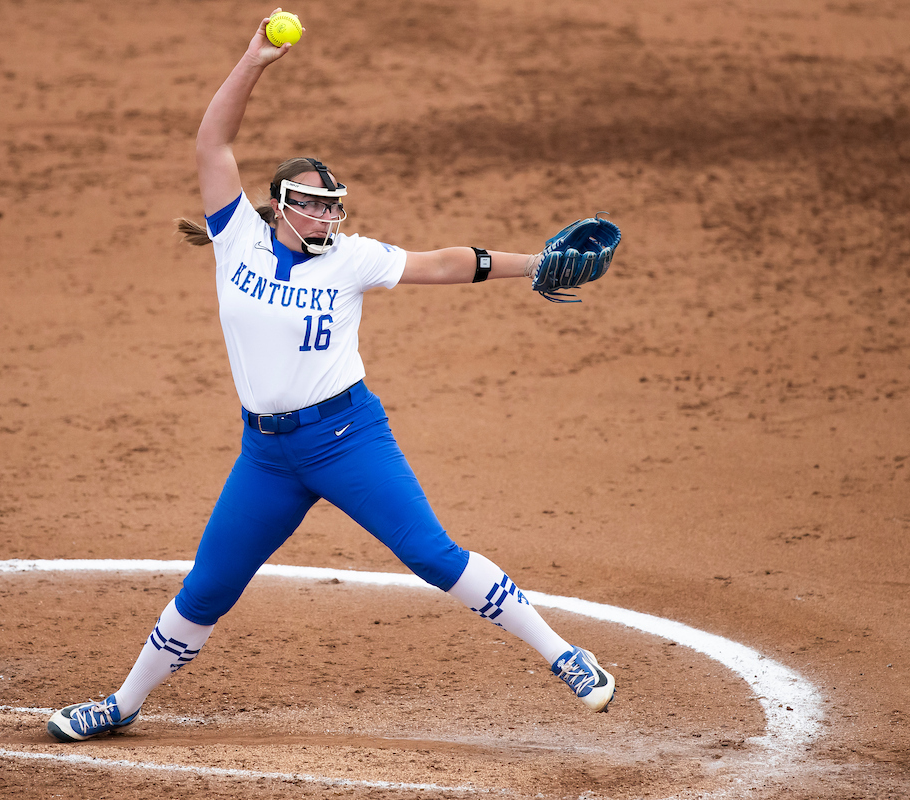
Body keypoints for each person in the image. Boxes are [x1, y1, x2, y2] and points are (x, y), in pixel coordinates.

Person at [47, 9, 615, 743]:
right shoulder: (236, 238)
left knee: (430, 554)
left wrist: (533, 264)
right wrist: (253, 60)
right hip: (266, 456)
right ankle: (123, 704)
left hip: (348, 438)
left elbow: (443, 262)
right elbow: (213, 142)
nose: (325, 216)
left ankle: (566, 656)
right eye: (313, 206)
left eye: (331, 206)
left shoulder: (352, 259)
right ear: (283, 208)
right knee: (209, 587)